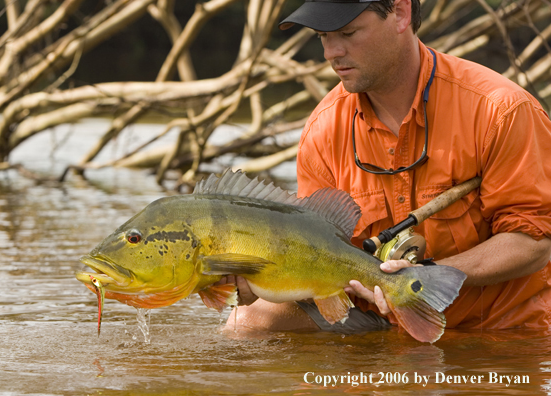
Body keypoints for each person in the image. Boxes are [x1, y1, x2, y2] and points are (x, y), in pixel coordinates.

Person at [220, 0, 551, 334]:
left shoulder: (501, 111)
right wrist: (261, 281)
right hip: (377, 321)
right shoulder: (322, 130)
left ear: (401, 13)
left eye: (348, 32)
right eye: (323, 36)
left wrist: (422, 278)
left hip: (499, 330)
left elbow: (534, 244)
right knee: (246, 324)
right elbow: (312, 251)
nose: (331, 52)